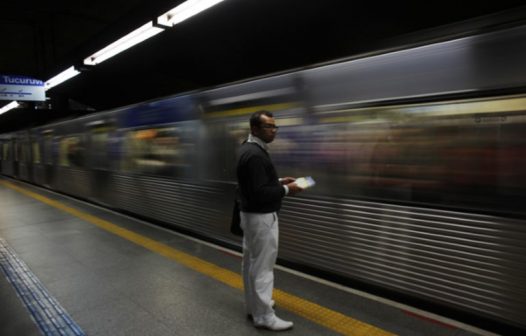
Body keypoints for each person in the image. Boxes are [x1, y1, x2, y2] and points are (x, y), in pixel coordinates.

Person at [236, 110, 303, 331]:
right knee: (263, 267)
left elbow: (255, 183)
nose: (274, 130)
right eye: (268, 127)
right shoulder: (255, 154)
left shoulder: (248, 147)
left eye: (275, 126)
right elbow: (259, 193)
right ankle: (264, 315)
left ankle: (253, 305)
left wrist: (278, 180)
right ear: (255, 129)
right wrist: (286, 189)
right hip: (261, 217)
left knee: (251, 264)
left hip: (250, 215)